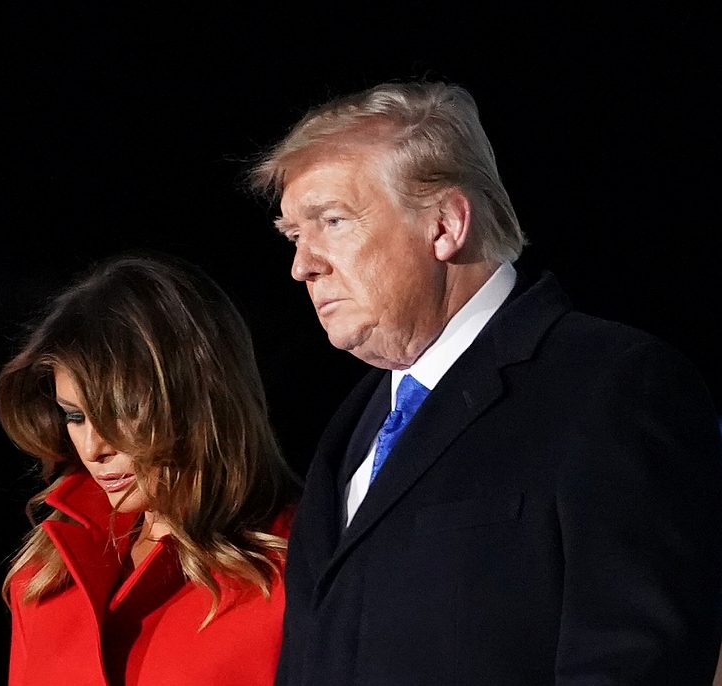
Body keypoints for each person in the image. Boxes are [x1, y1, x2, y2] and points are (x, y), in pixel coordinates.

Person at [249, 80, 722, 684]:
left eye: (332, 221)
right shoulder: (350, 429)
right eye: (294, 236)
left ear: (445, 224)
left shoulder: (612, 385)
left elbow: (635, 662)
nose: (301, 265)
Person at [0, 252, 300, 686]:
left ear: (197, 401)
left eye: (120, 411)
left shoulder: (295, 567)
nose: (93, 447)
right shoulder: (46, 574)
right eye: (74, 416)